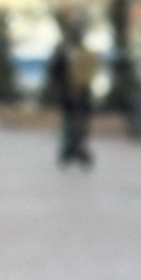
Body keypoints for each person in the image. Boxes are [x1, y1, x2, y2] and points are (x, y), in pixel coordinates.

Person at [52, 18, 98, 171]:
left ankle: (75, 151)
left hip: (80, 94)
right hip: (69, 94)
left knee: (79, 124)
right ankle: (72, 151)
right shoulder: (64, 51)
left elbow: (90, 72)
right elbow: (55, 71)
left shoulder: (83, 52)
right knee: (70, 124)